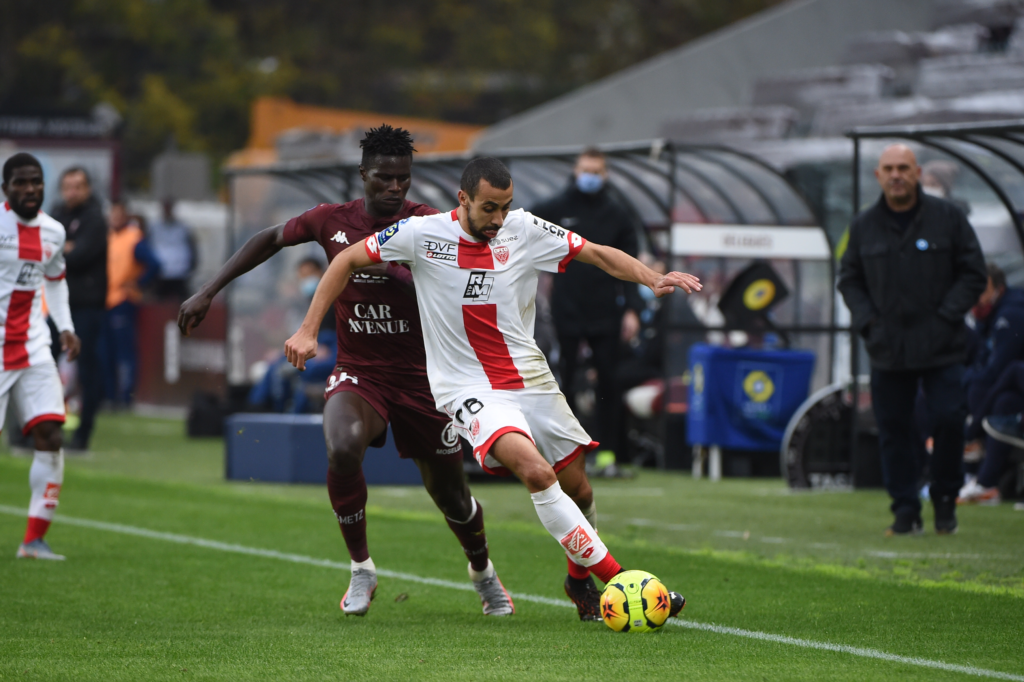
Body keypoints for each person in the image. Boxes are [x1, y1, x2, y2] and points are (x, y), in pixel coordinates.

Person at [285, 157, 699, 620]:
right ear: (463, 199)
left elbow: (598, 254)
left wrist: (652, 277)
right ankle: (623, 582)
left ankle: (578, 580)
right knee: (537, 473)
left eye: (505, 207)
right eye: (489, 208)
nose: (499, 219)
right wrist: (308, 329)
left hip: (530, 378)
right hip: (468, 388)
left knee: (579, 491)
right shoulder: (421, 234)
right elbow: (346, 258)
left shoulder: (524, 229)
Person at [179, 125, 512, 617]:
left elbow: (453, 288)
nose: (395, 187)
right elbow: (269, 238)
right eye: (384, 178)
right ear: (363, 175)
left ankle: (482, 572)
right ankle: (361, 569)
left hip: (426, 379)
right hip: (361, 371)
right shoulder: (330, 220)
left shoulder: (430, 224)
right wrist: (209, 290)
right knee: (342, 446)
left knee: (452, 497)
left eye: (403, 178)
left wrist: (391, 270)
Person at [838, 144, 986, 536]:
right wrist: (869, 322)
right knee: (894, 429)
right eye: (889, 169)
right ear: (878, 176)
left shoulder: (948, 218)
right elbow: (849, 279)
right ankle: (905, 510)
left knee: (949, 420)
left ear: (917, 173)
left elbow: (973, 272)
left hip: (942, 345)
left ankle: (945, 499)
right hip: (888, 347)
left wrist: (946, 317)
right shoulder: (864, 225)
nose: (896, 175)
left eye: (903, 168)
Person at [530, 149, 642, 468]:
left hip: (605, 311)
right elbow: (522, 230)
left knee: (608, 383)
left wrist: (632, 309)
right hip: (566, 310)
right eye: (585, 170)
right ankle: (565, 451)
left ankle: (608, 454)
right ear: (575, 171)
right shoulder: (555, 208)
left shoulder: (618, 215)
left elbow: (630, 265)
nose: (590, 177)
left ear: (605, 175)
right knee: (562, 382)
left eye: (596, 171)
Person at [2, 153, 81, 559]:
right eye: (20, 182)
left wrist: (65, 326)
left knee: (51, 432)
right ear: (5, 189)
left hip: (33, 345)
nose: (30, 189)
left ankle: (33, 541)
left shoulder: (53, 231)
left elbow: (55, 280)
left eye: (35, 181)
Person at [50, 166, 107, 452]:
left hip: (86, 305)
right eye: (68, 186)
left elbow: (79, 255)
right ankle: (40, 426)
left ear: (88, 189)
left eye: (78, 186)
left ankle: (83, 433)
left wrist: (60, 250)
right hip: (56, 304)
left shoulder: (95, 218)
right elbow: (43, 250)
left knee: (86, 369)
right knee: (43, 363)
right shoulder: (56, 214)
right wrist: (65, 248)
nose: (72, 192)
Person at [102, 201, 161, 407]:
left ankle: (126, 398)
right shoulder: (109, 236)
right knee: (106, 352)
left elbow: (154, 264)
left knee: (124, 352)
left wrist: (138, 283)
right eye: (113, 214)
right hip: (106, 301)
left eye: (119, 214)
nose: (115, 218)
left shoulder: (133, 238)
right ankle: (110, 397)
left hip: (124, 300)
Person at [150, 199, 196, 301]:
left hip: (180, 272)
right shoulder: (154, 227)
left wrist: (191, 267)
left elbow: (192, 248)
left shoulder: (183, 227)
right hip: (161, 273)